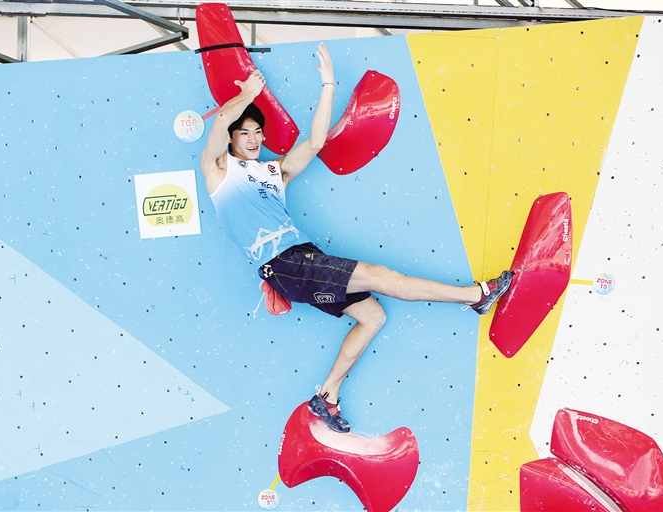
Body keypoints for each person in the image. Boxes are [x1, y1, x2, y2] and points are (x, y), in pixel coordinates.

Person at [199, 43, 513, 433]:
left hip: (300, 260)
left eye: (258, 132)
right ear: (231, 139)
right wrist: (249, 92)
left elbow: (315, 144)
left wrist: (328, 84)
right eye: (244, 132)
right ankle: (475, 296)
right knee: (381, 276)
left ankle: (327, 396)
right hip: (285, 264)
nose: (253, 138)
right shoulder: (219, 170)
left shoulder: (273, 172)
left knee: (372, 316)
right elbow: (219, 122)